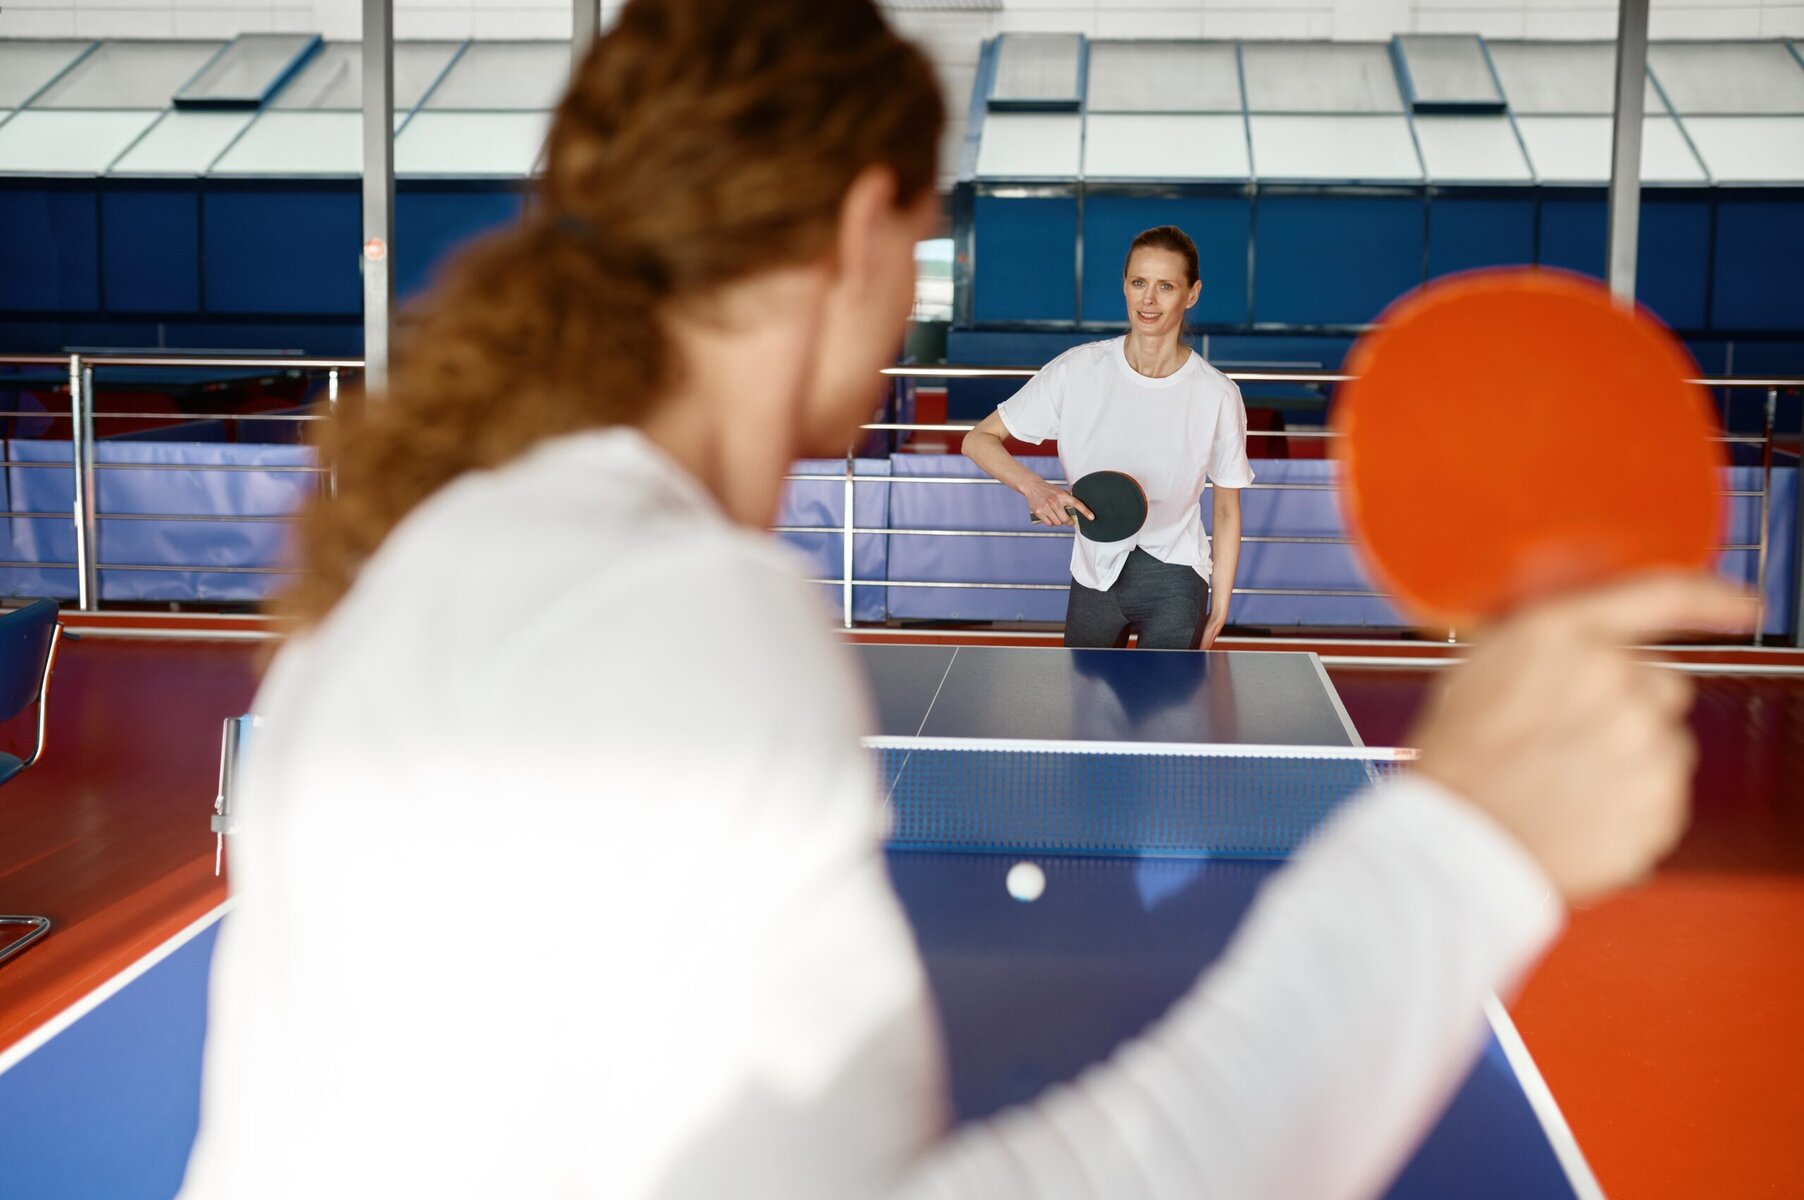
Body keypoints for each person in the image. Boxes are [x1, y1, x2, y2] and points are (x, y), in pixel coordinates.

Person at [179, 2, 1752, 1198]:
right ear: (863, 228)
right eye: (924, 237)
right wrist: (1462, 846)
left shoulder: (421, 574)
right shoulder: (675, 610)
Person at [961, 227, 1249, 650]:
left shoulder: (1217, 394)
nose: (1148, 300)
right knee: (1085, 708)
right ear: (1125, 286)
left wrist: (1221, 605)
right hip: (1094, 574)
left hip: (1175, 575)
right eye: (1138, 283)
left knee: (1170, 713)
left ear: (1192, 294)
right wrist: (1035, 488)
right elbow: (978, 439)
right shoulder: (1078, 370)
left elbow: (1226, 509)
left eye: (1165, 286)